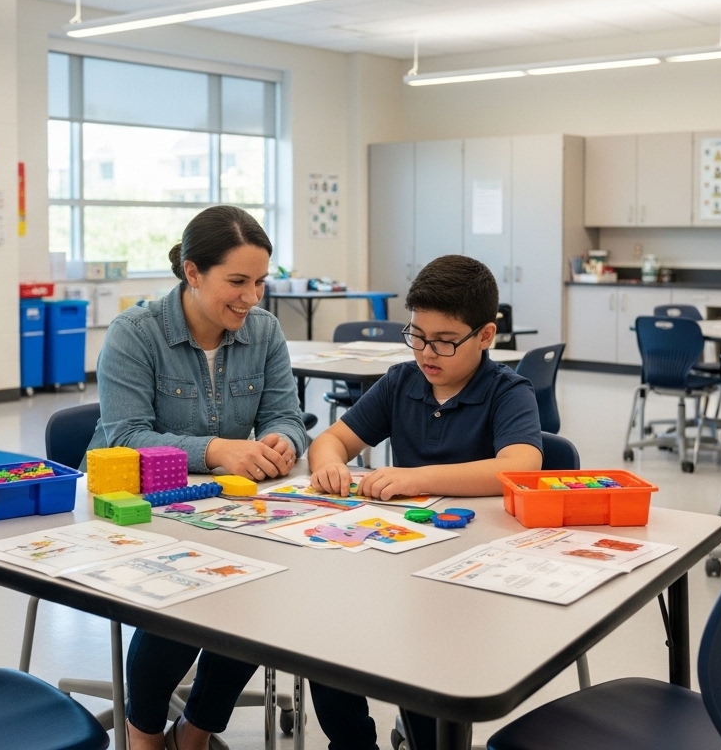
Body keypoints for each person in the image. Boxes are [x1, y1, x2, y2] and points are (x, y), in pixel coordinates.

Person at [90, 205, 308, 750]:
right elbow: (121, 437)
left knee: (258, 590)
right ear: (192, 272)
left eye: (259, 282)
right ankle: (142, 736)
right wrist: (215, 451)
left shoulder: (264, 332)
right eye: (237, 281)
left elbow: (286, 413)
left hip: (228, 510)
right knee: (182, 597)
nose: (252, 297)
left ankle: (194, 733)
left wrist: (285, 439)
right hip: (147, 513)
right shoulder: (135, 334)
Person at [305, 254, 543, 750]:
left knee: (425, 652)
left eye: (444, 341)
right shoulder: (402, 382)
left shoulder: (508, 391)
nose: (426, 353)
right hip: (399, 553)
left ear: (486, 335)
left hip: (473, 571)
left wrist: (415, 478)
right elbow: (332, 440)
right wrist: (330, 463)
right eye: (416, 335)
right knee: (323, 634)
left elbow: (520, 467)